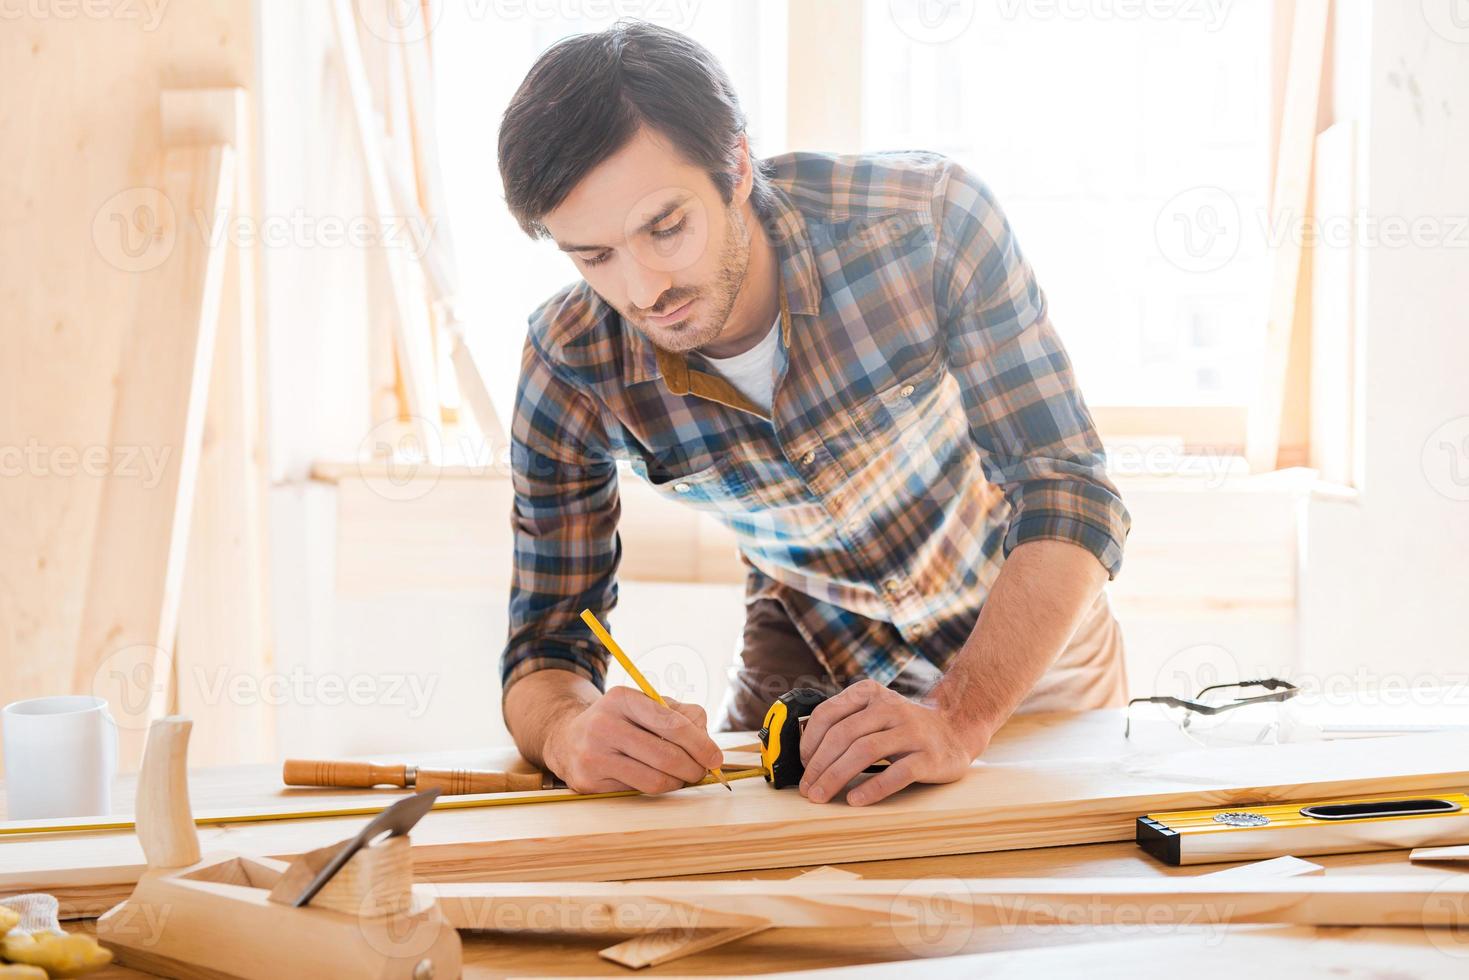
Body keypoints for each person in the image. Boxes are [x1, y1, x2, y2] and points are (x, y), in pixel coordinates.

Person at [496, 22, 1130, 806]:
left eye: (665, 228)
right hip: (808, 643)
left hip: (1024, 640)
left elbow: (1066, 491)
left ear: (734, 166)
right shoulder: (569, 362)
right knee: (741, 868)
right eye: (593, 257)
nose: (642, 289)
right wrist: (566, 731)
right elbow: (546, 642)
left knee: (1053, 886)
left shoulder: (927, 223)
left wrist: (958, 715)